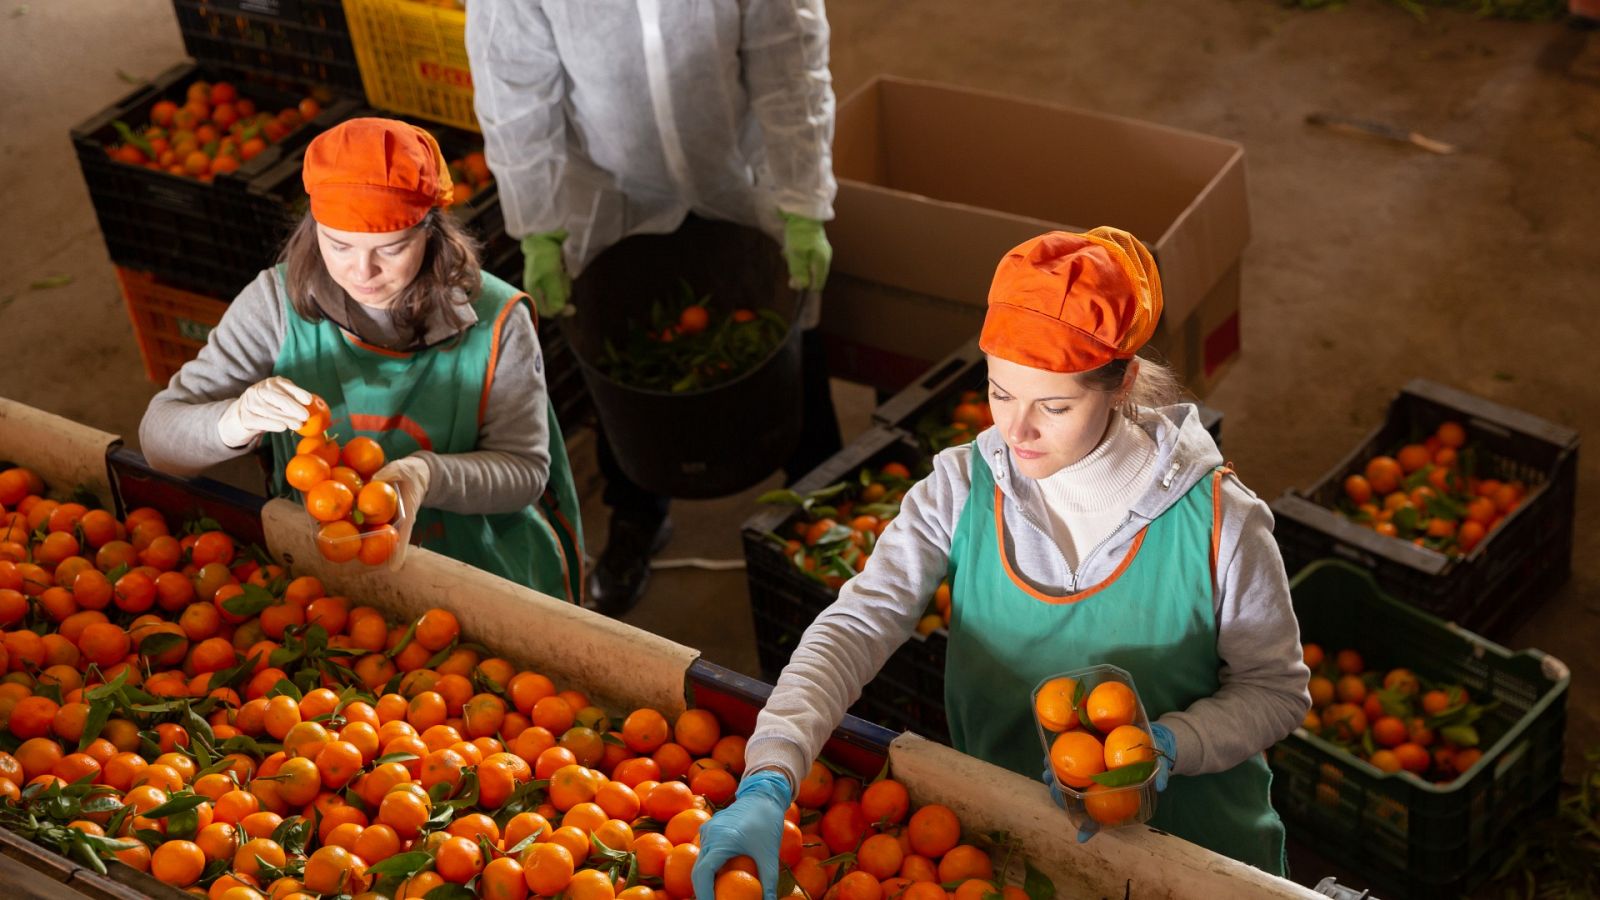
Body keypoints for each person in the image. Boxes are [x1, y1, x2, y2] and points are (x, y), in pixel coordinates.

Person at [693, 228, 1312, 890]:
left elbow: (1275, 691)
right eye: (1000, 392)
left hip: (1200, 863)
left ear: (1122, 383)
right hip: (1018, 853)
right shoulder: (960, 490)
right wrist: (770, 771)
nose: (1014, 431)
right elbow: (857, 626)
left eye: (1054, 405)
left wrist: (1171, 744)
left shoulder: (1220, 524)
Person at [465, 0, 842, 616]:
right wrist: (539, 223)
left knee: (787, 336)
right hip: (612, 190)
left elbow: (789, 62)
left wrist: (801, 198)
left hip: (739, 170)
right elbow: (514, 88)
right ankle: (637, 517)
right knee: (626, 355)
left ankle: (824, 504)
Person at [139, 117, 583, 602]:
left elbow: (524, 472)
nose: (363, 271)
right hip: (327, 565)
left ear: (430, 233)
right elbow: (159, 442)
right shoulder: (273, 306)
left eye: (391, 249)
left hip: (474, 569)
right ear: (314, 231)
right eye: (339, 245)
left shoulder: (498, 321)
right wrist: (233, 421)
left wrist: (428, 475)